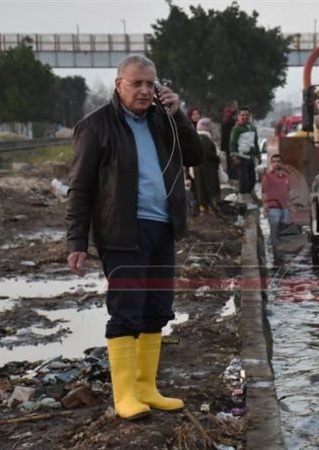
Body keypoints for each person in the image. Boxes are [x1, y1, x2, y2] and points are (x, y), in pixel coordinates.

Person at [65, 54, 203, 420]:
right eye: (136, 83)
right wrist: (76, 242)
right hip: (122, 232)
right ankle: (124, 395)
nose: (144, 90)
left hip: (163, 228)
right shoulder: (96, 127)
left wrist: (178, 115)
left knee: (157, 309)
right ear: (118, 84)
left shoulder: (163, 121)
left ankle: (146, 388)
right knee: (126, 311)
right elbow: (78, 189)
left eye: (150, 84)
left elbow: (196, 155)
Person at [229, 106, 260, 211]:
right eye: (242, 115)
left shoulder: (252, 128)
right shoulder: (237, 128)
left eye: (246, 115)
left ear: (249, 116)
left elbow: (255, 142)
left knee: (252, 180)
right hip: (240, 157)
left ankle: (248, 200)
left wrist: (258, 155)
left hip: (250, 158)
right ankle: (243, 202)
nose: (244, 117)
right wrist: (234, 156)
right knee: (243, 180)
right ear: (239, 116)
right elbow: (232, 143)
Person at [261, 153, 290, 264]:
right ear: (271, 163)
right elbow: (263, 192)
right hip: (273, 207)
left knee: (282, 229)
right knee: (274, 229)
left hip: (284, 208)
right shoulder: (267, 176)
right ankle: (276, 257)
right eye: (274, 162)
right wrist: (265, 207)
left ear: (281, 163)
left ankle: (279, 251)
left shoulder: (286, 176)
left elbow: (288, 190)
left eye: (278, 161)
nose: (276, 163)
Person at [194, 117, 221, 214]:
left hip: (198, 168)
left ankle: (204, 208)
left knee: (200, 188)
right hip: (208, 169)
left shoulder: (196, 138)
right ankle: (211, 208)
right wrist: (217, 158)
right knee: (210, 189)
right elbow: (208, 154)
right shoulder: (205, 139)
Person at [220, 101, 239, 179]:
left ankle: (233, 175)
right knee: (231, 160)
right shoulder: (228, 115)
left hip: (229, 141)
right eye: (235, 106)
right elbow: (226, 125)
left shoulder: (232, 115)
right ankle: (232, 176)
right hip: (229, 142)